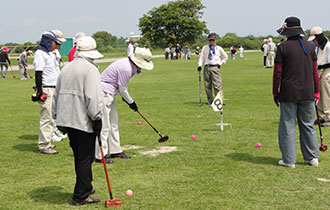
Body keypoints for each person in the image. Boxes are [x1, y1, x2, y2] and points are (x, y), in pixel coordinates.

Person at [52, 36, 104, 206]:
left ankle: (86, 187)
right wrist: (97, 117)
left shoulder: (67, 68)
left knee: (80, 157)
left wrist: (56, 115)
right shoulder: (90, 69)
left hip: (66, 119)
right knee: (85, 158)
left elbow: (56, 94)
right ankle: (81, 195)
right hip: (82, 120)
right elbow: (93, 97)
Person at [273, 17, 320, 168]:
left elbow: (278, 73)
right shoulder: (310, 46)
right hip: (308, 92)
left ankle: (289, 160)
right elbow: (314, 71)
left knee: (288, 126)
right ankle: (312, 158)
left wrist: (275, 92)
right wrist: (317, 91)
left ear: (287, 31)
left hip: (289, 92)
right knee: (308, 126)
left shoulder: (282, 47)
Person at [95, 47, 154, 163]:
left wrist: (129, 100)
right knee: (105, 125)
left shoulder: (129, 65)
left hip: (110, 93)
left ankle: (115, 150)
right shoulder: (126, 68)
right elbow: (123, 90)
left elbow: (121, 89)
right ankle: (100, 155)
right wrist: (132, 103)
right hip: (104, 93)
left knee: (113, 122)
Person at [32, 30, 66, 154]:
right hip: (47, 88)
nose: (57, 46)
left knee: (52, 117)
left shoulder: (50, 54)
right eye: (55, 43)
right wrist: (40, 91)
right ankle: (43, 145)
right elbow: (38, 73)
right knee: (47, 117)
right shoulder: (40, 54)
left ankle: (47, 142)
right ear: (48, 42)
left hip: (54, 88)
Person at [197, 33, 228, 105]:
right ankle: (210, 101)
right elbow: (202, 58)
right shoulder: (205, 48)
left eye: (213, 40)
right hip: (207, 67)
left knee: (217, 85)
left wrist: (220, 63)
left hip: (215, 67)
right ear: (208, 40)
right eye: (210, 40)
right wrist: (199, 65)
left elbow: (225, 57)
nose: (211, 41)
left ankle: (220, 100)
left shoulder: (219, 48)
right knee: (207, 85)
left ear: (215, 40)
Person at [308, 27, 330, 127]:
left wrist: (319, 66)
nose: (314, 42)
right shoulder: (317, 48)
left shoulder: (328, 46)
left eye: (314, 40)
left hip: (327, 73)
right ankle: (321, 116)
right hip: (319, 72)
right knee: (319, 95)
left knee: (326, 96)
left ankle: (328, 117)